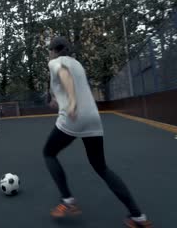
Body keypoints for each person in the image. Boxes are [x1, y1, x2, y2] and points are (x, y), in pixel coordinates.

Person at [43, 37, 152, 227]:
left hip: (73, 117)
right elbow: (69, 84)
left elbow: (64, 75)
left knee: (49, 153)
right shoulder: (77, 64)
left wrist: (72, 102)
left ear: (53, 50)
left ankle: (67, 201)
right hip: (93, 118)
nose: (48, 54)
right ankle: (138, 216)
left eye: (49, 51)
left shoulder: (55, 62)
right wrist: (59, 101)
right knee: (101, 167)